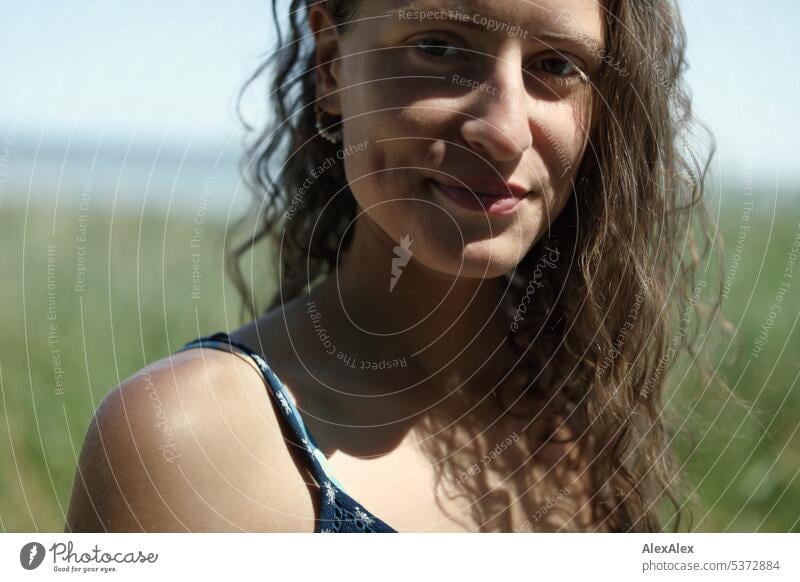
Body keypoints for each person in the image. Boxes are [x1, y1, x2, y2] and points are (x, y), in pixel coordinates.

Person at [66, 0, 719, 533]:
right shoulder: (193, 442)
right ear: (331, 67)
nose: (505, 130)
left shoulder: (581, 418)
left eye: (555, 64)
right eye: (437, 47)